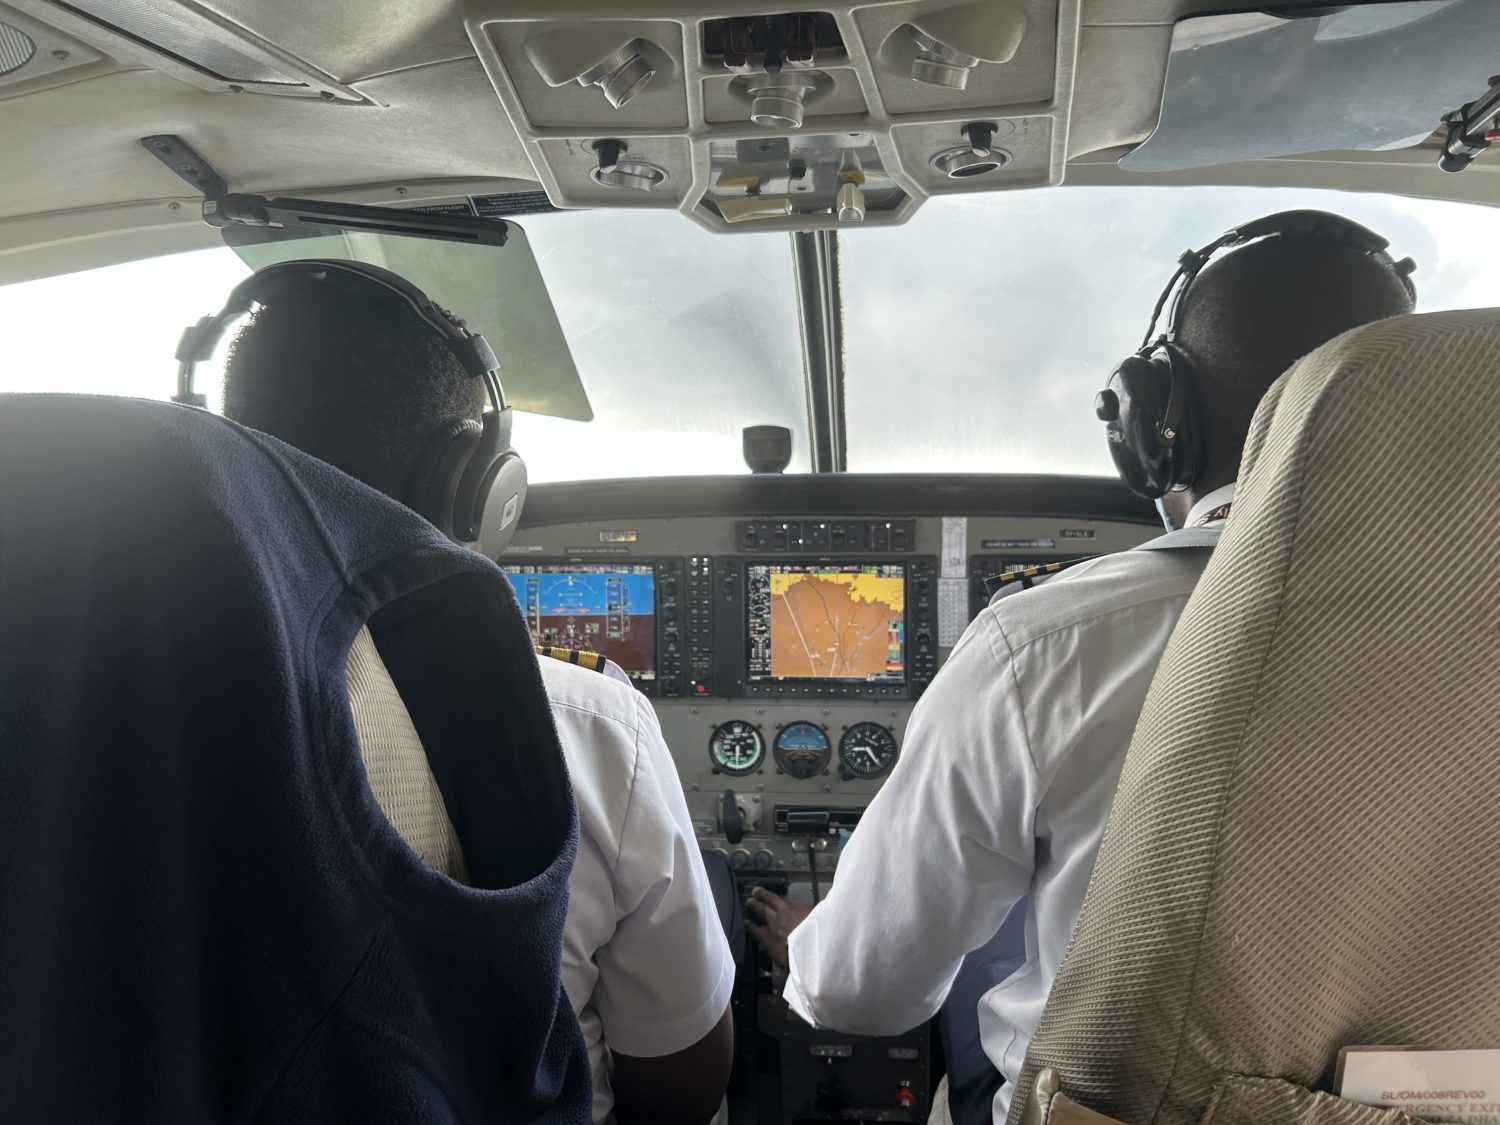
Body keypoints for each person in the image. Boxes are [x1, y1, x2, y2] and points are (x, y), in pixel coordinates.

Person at [744, 211, 1417, 1123]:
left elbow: (867, 994)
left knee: (991, 943)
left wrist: (809, 952)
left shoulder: (1043, 648)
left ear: (1156, 428)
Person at [219, 270, 735, 1125]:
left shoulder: (95, 712)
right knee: (704, 883)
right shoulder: (593, 727)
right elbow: (682, 1087)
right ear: (473, 486)